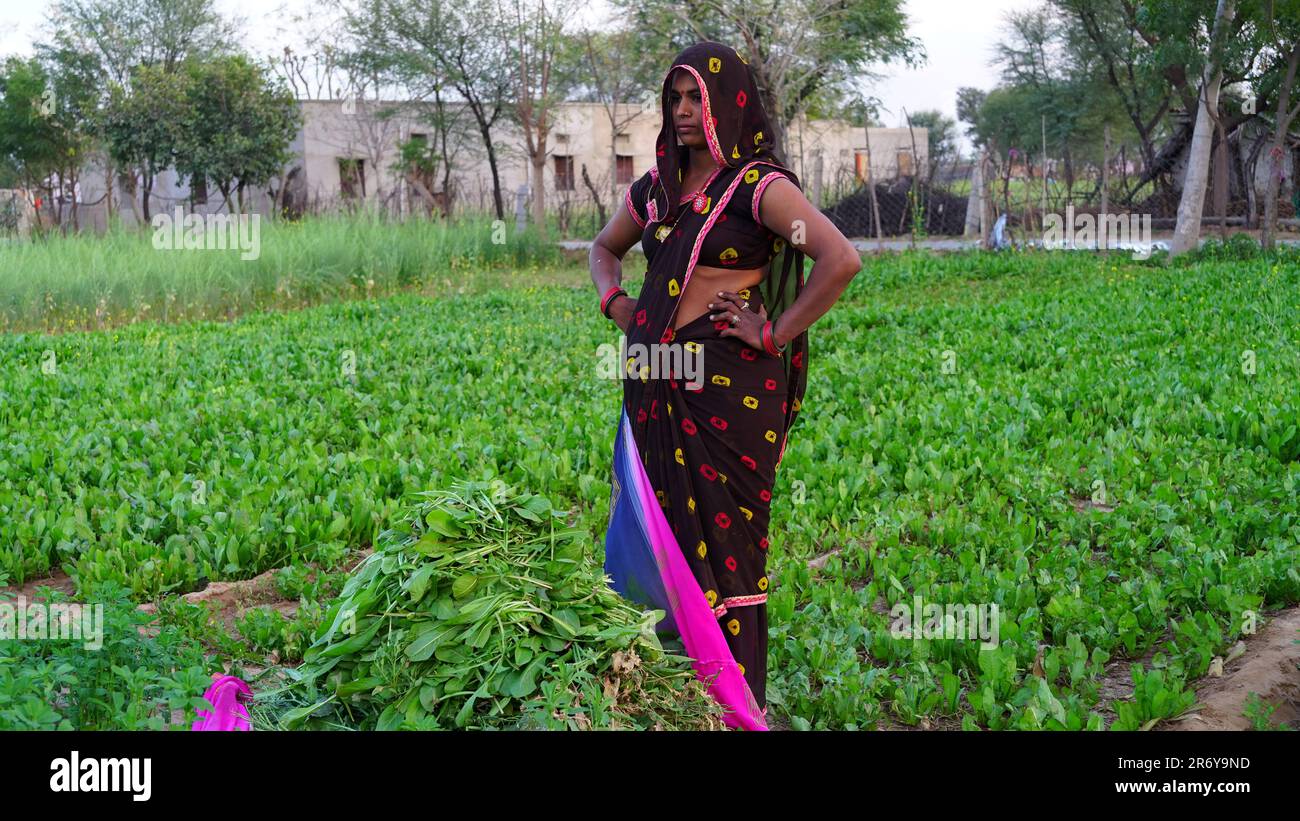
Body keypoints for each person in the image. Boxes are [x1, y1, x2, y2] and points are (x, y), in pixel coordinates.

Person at [589, 40, 861, 730]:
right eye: (674, 98)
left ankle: (734, 706)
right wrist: (615, 303)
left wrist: (773, 333)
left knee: (728, 554)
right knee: (652, 544)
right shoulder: (655, 188)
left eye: (696, 98)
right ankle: (658, 698)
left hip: (725, 399)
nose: (683, 111)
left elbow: (839, 258)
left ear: (730, 103)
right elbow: (603, 249)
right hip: (653, 386)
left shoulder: (761, 189)